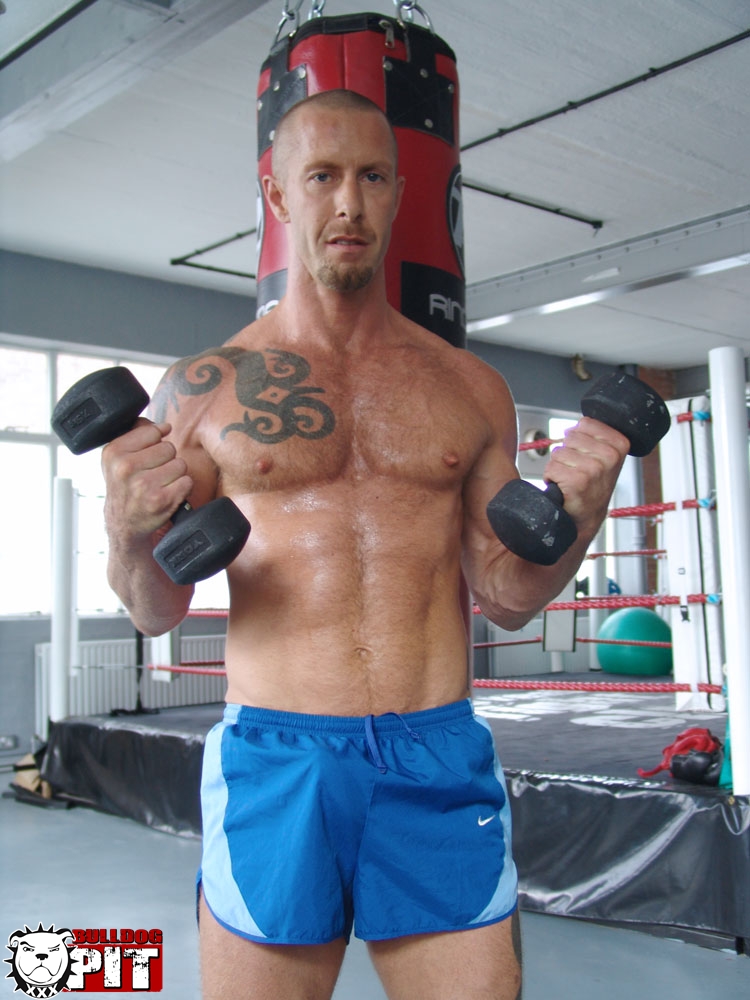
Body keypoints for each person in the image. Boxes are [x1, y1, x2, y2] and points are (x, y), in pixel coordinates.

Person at [102, 89, 629, 1000]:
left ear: (398, 193)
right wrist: (124, 528)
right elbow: (155, 610)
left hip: (435, 753)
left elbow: (506, 593)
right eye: (322, 177)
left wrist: (579, 516)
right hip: (278, 761)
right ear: (278, 195)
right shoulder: (203, 388)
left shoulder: (469, 387)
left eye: (372, 177)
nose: (349, 203)